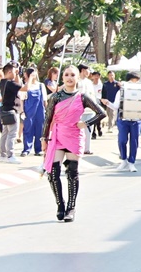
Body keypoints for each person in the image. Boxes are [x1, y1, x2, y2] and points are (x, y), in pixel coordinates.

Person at [42, 65, 106, 222]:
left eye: (72, 75)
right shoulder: (56, 97)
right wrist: (44, 139)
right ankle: (60, 204)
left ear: (78, 78)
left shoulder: (82, 97)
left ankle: (71, 208)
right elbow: (48, 118)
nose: (69, 78)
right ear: (62, 77)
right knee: (53, 172)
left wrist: (86, 123)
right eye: (66, 75)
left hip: (74, 136)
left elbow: (101, 113)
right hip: (57, 136)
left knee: (72, 172)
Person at [114, 72, 141, 172]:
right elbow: (116, 106)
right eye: (132, 81)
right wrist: (108, 103)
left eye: (136, 81)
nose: (134, 83)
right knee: (122, 140)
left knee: (134, 142)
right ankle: (124, 159)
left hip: (136, 120)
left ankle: (132, 162)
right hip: (124, 119)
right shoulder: (121, 91)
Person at [0, 63, 23, 163]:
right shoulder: (10, 83)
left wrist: (17, 74)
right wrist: (31, 78)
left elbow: (17, 84)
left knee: (5, 133)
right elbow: (24, 88)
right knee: (12, 134)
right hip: (12, 111)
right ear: (9, 72)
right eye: (14, 71)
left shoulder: (3, 82)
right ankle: (10, 155)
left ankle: (2, 155)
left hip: (4, 110)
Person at [20, 68, 47, 157]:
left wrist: (47, 111)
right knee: (28, 130)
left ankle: (38, 149)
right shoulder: (25, 86)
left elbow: (45, 100)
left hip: (39, 111)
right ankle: (26, 149)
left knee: (40, 130)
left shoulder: (41, 85)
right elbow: (22, 100)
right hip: (29, 111)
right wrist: (22, 111)